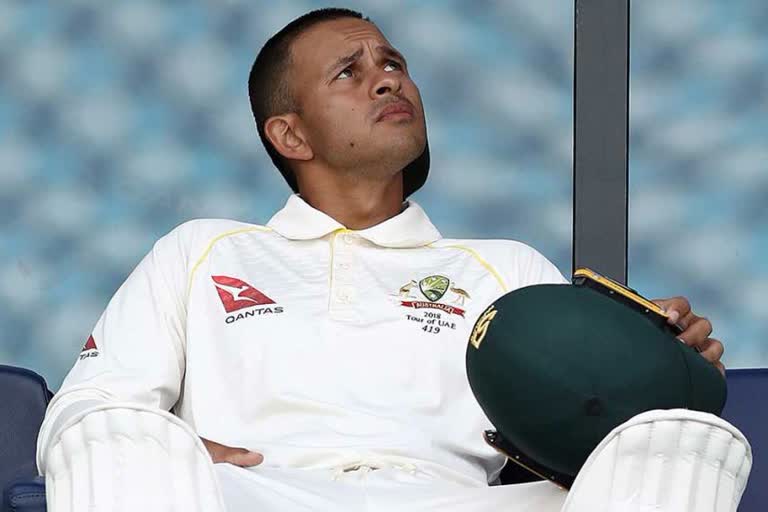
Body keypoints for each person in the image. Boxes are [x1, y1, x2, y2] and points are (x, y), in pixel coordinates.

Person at [36, 8, 730, 512]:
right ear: (291, 134)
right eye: (350, 71)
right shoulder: (201, 251)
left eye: (393, 64)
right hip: (250, 496)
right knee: (107, 433)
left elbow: (593, 424)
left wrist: (667, 373)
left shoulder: (503, 267)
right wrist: (165, 451)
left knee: (677, 441)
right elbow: (90, 406)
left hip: (456, 502)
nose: (387, 81)